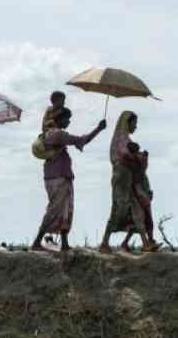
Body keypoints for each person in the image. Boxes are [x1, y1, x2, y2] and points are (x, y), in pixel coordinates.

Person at [30, 108, 106, 252]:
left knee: (65, 209)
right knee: (55, 209)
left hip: (56, 176)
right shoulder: (58, 134)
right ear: (60, 119)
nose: (69, 122)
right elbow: (81, 140)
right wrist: (98, 129)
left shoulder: (49, 134)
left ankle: (64, 243)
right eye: (67, 119)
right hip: (59, 177)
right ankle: (37, 241)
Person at [99, 111, 159, 254]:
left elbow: (133, 159)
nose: (135, 126)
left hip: (130, 180)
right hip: (121, 180)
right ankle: (104, 243)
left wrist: (140, 157)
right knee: (118, 209)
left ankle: (145, 243)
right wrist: (137, 157)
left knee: (137, 210)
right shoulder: (121, 140)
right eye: (134, 123)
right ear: (127, 123)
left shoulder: (128, 140)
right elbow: (124, 155)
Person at [119, 141, 157, 251]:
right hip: (136, 194)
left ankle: (146, 241)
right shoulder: (128, 161)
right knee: (139, 219)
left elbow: (143, 170)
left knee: (139, 220)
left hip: (141, 192)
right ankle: (147, 243)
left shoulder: (136, 161)